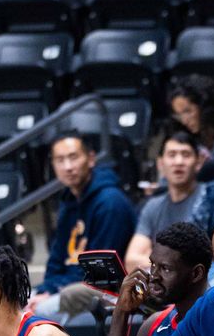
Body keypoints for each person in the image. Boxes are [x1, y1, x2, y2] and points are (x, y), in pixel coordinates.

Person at [102, 223, 213, 336]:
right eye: (153, 265)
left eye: (165, 269)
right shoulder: (155, 323)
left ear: (196, 273)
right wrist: (121, 313)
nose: (153, 276)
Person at [29, 132, 136, 316]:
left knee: (39, 310)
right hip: (66, 286)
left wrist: (53, 291)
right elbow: (56, 259)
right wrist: (46, 289)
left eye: (73, 157)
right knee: (18, 301)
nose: (68, 167)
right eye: (60, 160)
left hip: (106, 290)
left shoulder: (111, 203)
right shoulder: (68, 201)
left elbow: (99, 271)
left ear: (91, 158)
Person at [124, 129, 207, 272]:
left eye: (186, 155)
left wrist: (154, 260)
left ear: (198, 162)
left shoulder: (210, 199)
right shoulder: (153, 206)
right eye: (172, 155)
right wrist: (173, 265)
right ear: (160, 164)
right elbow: (132, 260)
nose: (179, 162)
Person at [169, 74, 214, 163]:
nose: (184, 121)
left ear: (205, 108)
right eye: (179, 115)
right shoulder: (199, 144)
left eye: (187, 112)